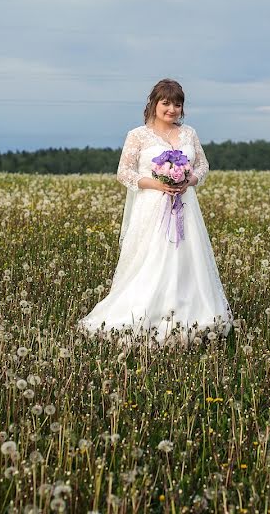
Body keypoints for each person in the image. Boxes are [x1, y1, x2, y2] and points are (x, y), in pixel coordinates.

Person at [76, 79, 234, 348]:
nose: (172, 109)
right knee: (151, 258)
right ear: (154, 103)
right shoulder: (138, 135)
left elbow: (203, 165)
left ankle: (190, 313)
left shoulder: (189, 134)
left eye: (177, 104)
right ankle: (146, 314)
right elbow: (124, 173)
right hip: (151, 206)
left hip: (185, 204)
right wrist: (157, 183)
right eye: (166, 103)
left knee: (186, 257)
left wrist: (188, 180)